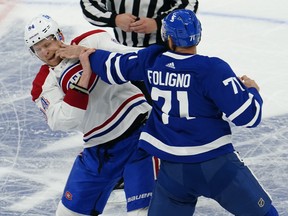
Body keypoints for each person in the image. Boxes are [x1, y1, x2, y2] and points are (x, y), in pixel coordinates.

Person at [78, 9, 279, 216]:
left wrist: (81, 53)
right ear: (198, 36)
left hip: (174, 173)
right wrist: (253, 91)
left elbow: (113, 67)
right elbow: (249, 117)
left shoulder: (151, 59)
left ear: (169, 37)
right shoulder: (212, 69)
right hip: (218, 167)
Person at [24, 14, 158, 216]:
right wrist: (85, 75)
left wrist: (85, 53)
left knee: (142, 213)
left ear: (59, 35)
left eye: (47, 43)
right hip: (98, 151)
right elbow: (64, 120)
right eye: (38, 49)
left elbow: (135, 60)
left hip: (138, 135)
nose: (45, 52)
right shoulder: (43, 83)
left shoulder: (93, 40)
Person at [80, 0, 199, 48]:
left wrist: (159, 23)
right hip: (122, 50)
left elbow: (189, 4)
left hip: (162, 49)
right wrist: (114, 19)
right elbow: (88, 4)